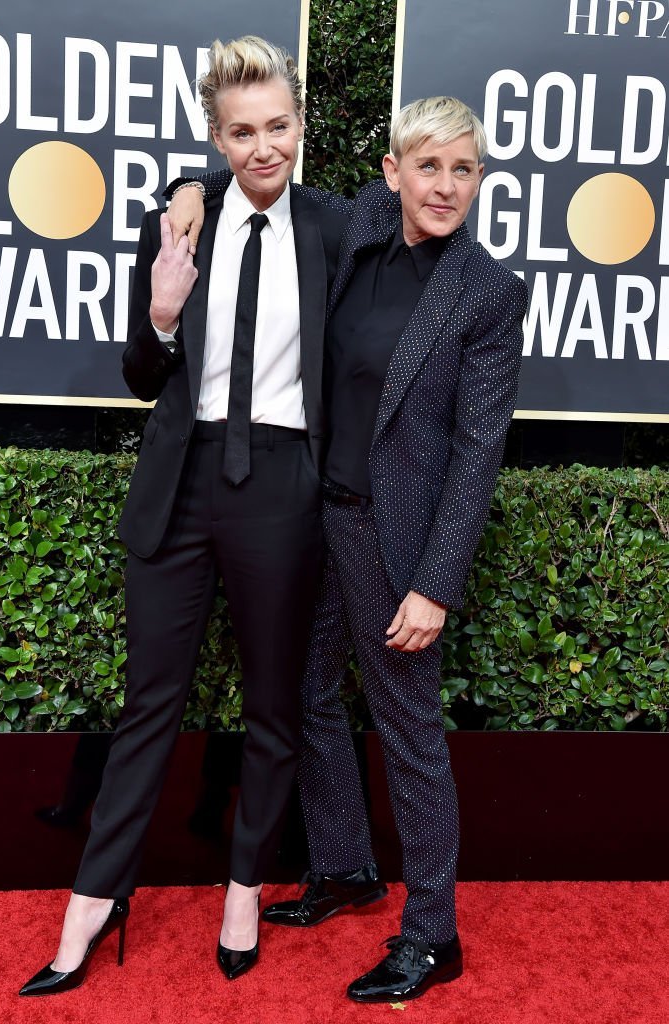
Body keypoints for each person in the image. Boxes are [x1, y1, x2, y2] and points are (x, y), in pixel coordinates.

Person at [167, 95, 528, 1003]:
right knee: (305, 695)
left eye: (465, 169)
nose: (446, 186)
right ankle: (345, 867)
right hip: (313, 515)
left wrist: (436, 584)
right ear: (392, 173)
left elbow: (480, 451)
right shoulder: (363, 224)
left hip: (393, 542)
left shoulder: (486, 292)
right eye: (430, 166)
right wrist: (189, 190)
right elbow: (259, 176)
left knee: (409, 735)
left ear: (479, 181)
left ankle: (433, 934)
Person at [19, 35, 348, 995]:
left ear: (300, 124)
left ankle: (244, 885)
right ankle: (93, 899)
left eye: (278, 125)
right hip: (181, 480)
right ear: (217, 134)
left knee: (274, 705)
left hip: (283, 482)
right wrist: (163, 315)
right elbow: (139, 374)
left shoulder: (333, 229)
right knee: (148, 704)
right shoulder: (180, 224)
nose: (263, 147)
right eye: (241, 132)